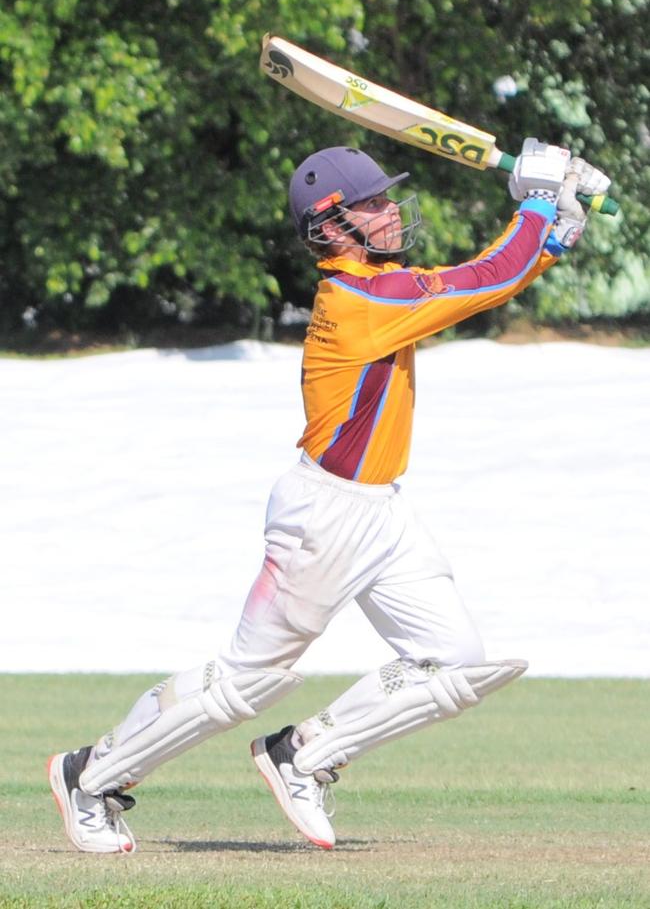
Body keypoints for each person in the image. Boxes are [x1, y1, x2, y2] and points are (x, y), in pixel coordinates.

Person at [48, 140, 610, 854]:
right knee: (246, 681)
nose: (388, 212)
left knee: (457, 660)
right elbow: (487, 278)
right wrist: (534, 202)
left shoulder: (384, 285)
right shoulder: (362, 298)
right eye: (372, 204)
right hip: (325, 517)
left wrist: (556, 227)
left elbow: (496, 275)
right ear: (333, 226)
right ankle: (90, 774)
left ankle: (305, 754)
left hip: (382, 510)